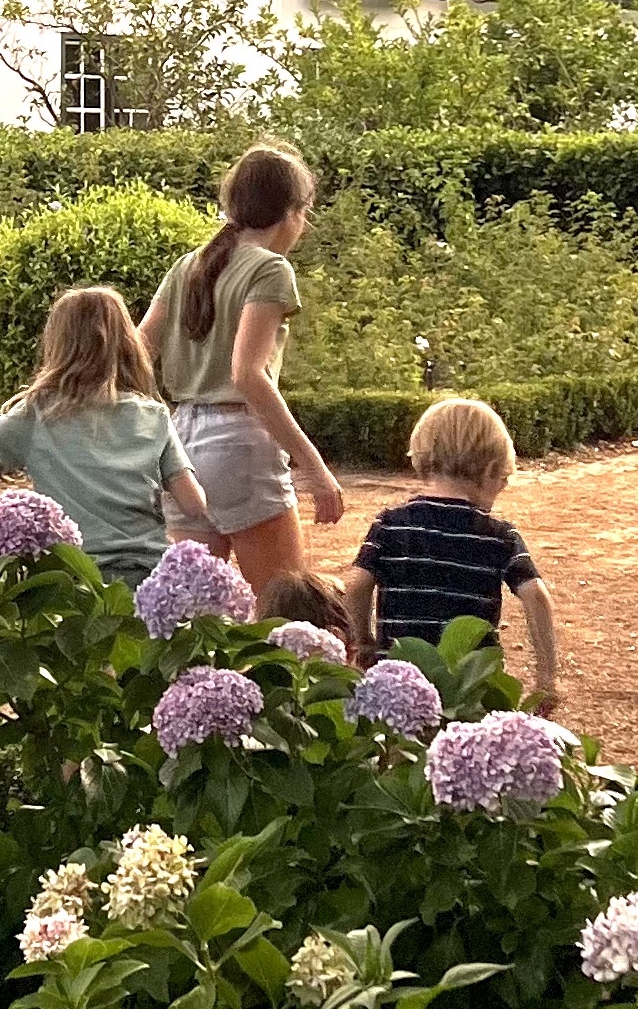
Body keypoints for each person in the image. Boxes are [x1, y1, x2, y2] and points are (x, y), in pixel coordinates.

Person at [140, 139, 342, 596]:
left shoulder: (188, 266)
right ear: (289, 211)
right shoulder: (271, 269)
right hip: (239, 447)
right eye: (305, 212)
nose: (304, 226)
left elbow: (135, 351)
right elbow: (247, 376)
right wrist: (314, 468)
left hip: (180, 445)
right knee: (285, 606)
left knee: (191, 614)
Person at [0, 284, 213, 588]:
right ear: (127, 343)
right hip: (144, 573)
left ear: (57, 344)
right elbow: (194, 505)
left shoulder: (39, 412)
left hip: (69, 575)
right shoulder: (153, 415)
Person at [345, 395, 558, 709]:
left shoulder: (390, 525)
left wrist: (363, 642)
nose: (501, 489)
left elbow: (356, 586)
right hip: (471, 684)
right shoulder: (499, 535)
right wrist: (547, 677)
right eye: (503, 480)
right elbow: (536, 596)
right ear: (489, 470)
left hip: (399, 678)